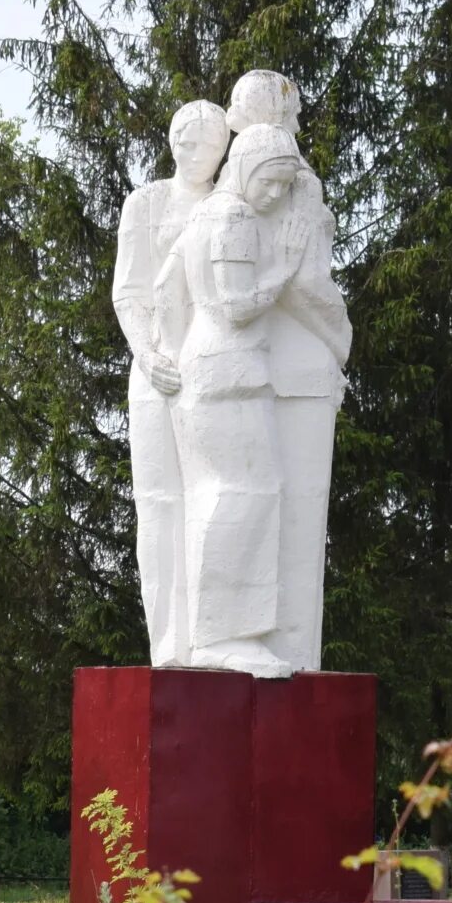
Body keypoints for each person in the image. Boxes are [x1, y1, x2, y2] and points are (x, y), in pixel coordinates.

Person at [164, 122, 307, 677]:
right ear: (244, 168)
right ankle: (223, 637)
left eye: (282, 188)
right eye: (268, 182)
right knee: (245, 493)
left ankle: (221, 634)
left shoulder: (203, 214)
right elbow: (237, 306)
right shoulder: (233, 216)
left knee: (232, 493)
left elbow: (165, 292)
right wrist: (286, 268)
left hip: (209, 372)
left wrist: (172, 355)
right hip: (228, 373)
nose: (272, 196)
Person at [225, 70, 349, 672]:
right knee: (291, 516)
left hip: (262, 369)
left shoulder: (233, 190)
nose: (298, 125)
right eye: (293, 112)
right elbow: (306, 282)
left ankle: (279, 654)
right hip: (292, 368)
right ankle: (282, 653)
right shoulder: (293, 183)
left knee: (269, 510)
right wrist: (342, 338)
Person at [112, 99, 229, 666]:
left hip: (211, 371)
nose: (199, 155)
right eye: (190, 143)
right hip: (155, 372)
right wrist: (146, 352)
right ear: (173, 142)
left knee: (212, 499)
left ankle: (212, 638)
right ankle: (168, 646)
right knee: (159, 503)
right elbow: (129, 291)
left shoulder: (228, 207)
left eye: (212, 147)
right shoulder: (147, 203)